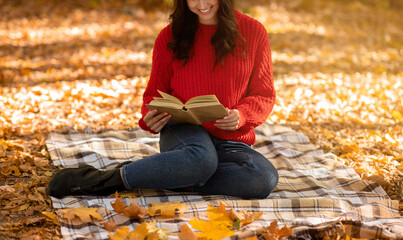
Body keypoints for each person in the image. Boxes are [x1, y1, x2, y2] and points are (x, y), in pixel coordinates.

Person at [47, 0, 278, 199]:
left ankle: (171, 173)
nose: (201, 3)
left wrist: (242, 116)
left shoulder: (253, 32)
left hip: (229, 136)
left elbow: (264, 94)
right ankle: (107, 179)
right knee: (202, 160)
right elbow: (153, 94)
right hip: (184, 130)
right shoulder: (169, 36)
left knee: (263, 177)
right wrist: (150, 118)